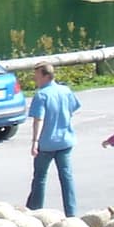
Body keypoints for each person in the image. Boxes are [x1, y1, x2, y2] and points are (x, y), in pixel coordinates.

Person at [26, 61, 81, 216]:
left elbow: (39, 120)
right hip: (65, 140)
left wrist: (35, 142)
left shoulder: (41, 95)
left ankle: (34, 211)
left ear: (46, 76)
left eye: (37, 76)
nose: (35, 79)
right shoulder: (65, 91)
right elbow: (73, 108)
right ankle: (71, 213)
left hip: (47, 143)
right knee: (66, 177)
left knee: (40, 178)